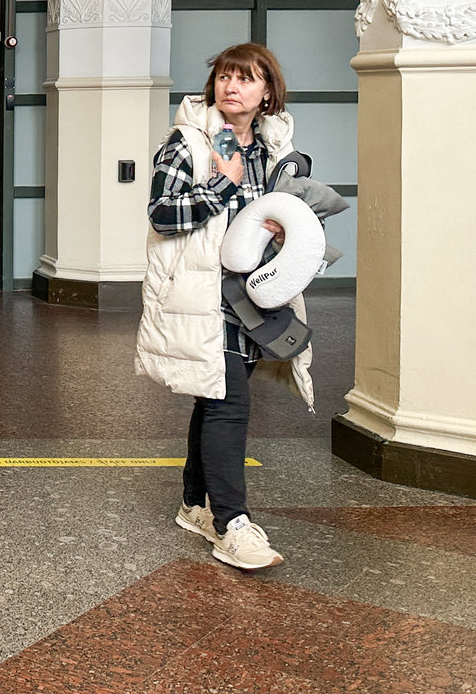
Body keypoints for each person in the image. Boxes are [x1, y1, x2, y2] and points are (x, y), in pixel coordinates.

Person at [137, 43, 313, 572]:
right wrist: (220, 186)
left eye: (246, 79)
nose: (231, 86)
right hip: (205, 296)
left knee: (213, 396)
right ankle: (230, 523)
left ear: (266, 94)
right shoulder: (186, 145)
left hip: (258, 296)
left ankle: (195, 503)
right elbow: (163, 214)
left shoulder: (274, 150)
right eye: (224, 77)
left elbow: (285, 218)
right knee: (228, 403)